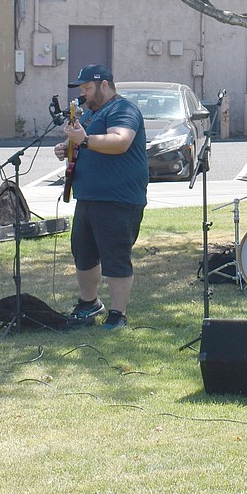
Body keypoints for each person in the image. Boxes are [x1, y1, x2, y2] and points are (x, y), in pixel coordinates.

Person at [53, 63, 148, 329]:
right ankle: (89, 303)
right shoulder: (89, 115)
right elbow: (83, 143)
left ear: (104, 85)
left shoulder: (123, 109)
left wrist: (83, 140)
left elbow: (120, 140)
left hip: (119, 198)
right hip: (88, 197)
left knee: (115, 255)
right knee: (83, 253)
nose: (83, 94)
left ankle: (118, 314)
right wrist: (66, 148)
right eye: (81, 89)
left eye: (87, 88)